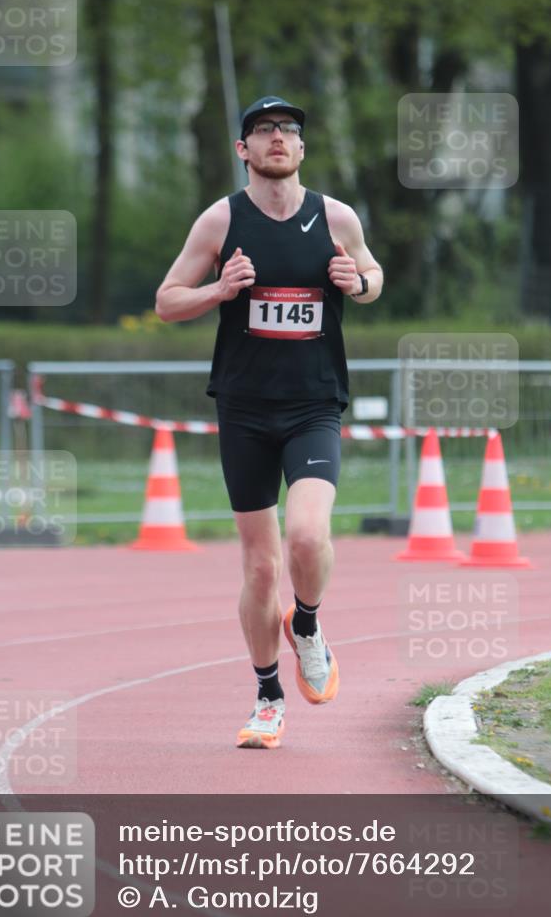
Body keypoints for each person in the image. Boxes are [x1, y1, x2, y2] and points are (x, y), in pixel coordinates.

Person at [155, 95, 383, 749]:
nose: (277, 138)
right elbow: (167, 301)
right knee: (259, 568)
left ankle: (305, 623)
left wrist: (357, 282)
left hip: (313, 404)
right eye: (263, 130)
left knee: (307, 538)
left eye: (288, 129)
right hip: (245, 408)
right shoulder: (219, 221)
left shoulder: (334, 216)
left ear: (302, 149)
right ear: (243, 149)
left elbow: (372, 273)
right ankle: (266, 697)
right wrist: (219, 292)